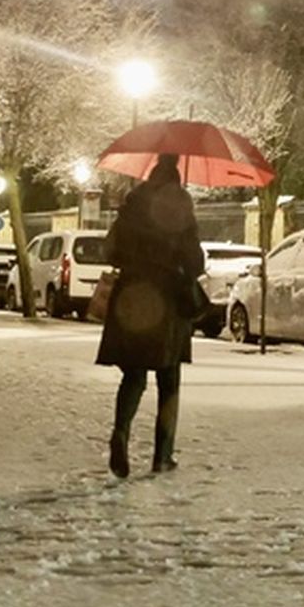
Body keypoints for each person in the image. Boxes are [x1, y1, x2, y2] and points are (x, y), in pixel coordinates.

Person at [96, 154, 205, 477]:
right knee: (168, 379)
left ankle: (120, 432)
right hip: (167, 298)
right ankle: (162, 455)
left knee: (134, 373)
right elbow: (194, 262)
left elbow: (110, 250)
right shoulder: (180, 205)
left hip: (131, 296)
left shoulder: (132, 204)